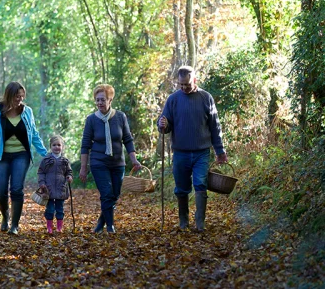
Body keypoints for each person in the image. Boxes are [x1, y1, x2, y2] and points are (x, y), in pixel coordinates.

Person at [157, 65, 228, 232]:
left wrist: (220, 151)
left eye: (187, 84)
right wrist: (162, 124)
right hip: (180, 152)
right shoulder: (173, 100)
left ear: (194, 80)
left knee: (200, 184)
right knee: (181, 188)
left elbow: (215, 127)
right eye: (181, 84)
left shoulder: (206, 98)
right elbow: (165, 125)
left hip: (201, 152)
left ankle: (200, 223)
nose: (184, 88)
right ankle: (183, 221)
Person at [0, 81, 47, 235]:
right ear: (9, 95)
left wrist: (45, 154)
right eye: (17, 96)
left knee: (17, 189)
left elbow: (34, 134)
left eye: (22, 96)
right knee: (0, 191)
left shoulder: (27, 111)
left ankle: (14, 226)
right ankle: (5, 216)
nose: (20, 99)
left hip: (21, 155)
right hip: (0, 156)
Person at [79, 84, 141, 234]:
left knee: (114, 195)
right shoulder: (92, 120)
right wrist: (83, 167)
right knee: (106, 193)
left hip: (118, 163)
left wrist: (134, 159)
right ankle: (110, 226)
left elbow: (127, 139)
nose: (99, 103)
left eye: (102, 100)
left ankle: (101, 223)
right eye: (97, 100)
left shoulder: (120, 117)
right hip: (98, 162)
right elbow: (85, 145)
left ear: (110, 100)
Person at [37, 135, 73, 234]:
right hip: (48, 188)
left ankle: (59, 227)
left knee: (60, 209)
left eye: (59, 145)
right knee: (50, 209)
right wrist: (42, 183)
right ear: (50, 146)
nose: (56, 147)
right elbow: (41, 172)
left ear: (62, 147)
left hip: (61, 188)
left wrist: (69, 177)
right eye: (54, 145)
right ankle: (49, 227)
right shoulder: (46, 160)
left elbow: (69, 172)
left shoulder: (65, 161)